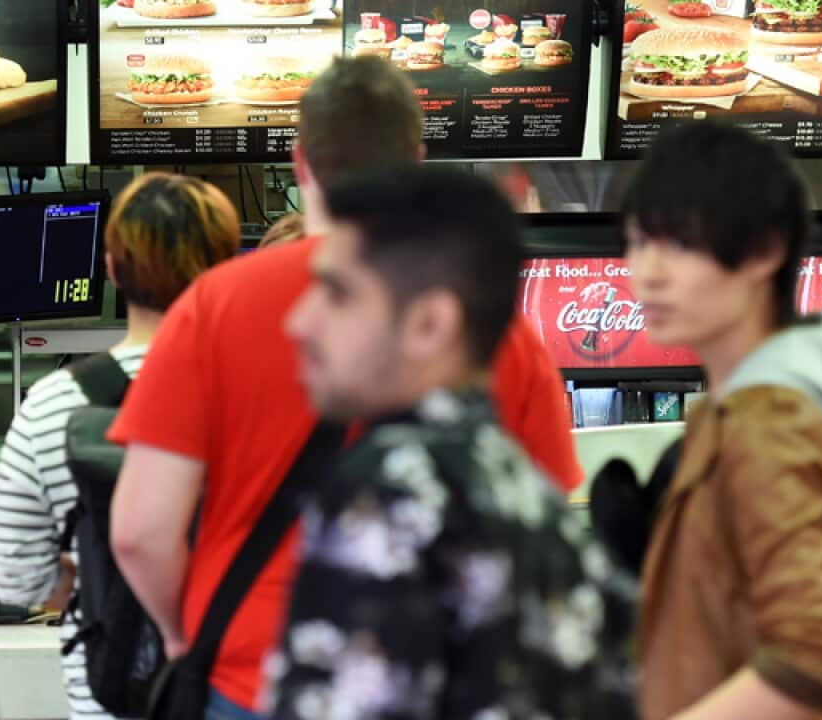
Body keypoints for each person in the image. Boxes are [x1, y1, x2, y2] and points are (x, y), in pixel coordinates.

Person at [107, 56, 580, 720]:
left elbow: (140, 531)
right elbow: (542, 529)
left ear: (301, 162)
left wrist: (186, 635)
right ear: (416, 159)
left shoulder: (213, 306)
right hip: (433, 682)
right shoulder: (495, 331)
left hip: (252, 679)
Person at [267, 163, 634, 719]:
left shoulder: (391, 484)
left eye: (337, 294)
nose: (300, 320)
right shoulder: (521, 488)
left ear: (430, 324)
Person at [623, 122, 822, 720]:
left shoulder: (772, 422)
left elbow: (811, 663)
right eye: (636, 242)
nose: (646, 272)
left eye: (678, 244)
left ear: (764, 252)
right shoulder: (755, 407)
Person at [0, 173, 241, 720]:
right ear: (227, 266)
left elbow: (14, 576)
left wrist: (98, 581)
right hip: (236, 689)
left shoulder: (51, 404)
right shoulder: (263, 392)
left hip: (112, 692)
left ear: (110, 268)